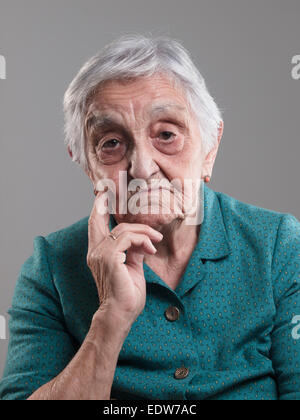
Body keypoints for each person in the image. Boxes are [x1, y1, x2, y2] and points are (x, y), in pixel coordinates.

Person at [0, 34, 299, 400]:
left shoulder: (278, 246)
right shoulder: (51, 266)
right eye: (111, 142)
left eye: (167, 134)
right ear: (86, 165)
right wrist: (110, 319)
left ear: (210, 148)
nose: (142, 168)